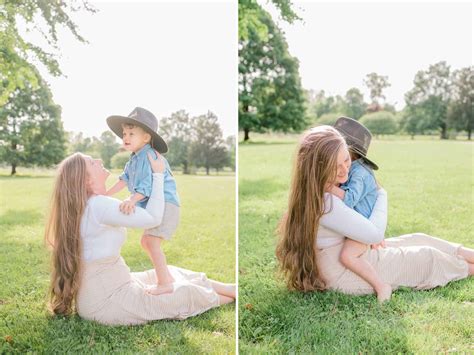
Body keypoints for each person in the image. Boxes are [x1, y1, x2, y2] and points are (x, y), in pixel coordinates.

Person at [276, 125, 473, 297]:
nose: (345, 171)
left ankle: (467, 253)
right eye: (334, 166)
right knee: (427, 257)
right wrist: (381, 194)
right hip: (342, 271)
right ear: (316, 168)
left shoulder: (319, 192)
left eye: (347, 161)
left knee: (419, 238)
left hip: (347, 256)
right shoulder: (326, 201)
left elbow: (362, 230)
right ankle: (468, 268)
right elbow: (374, 233)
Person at [45, 151, 235, 325]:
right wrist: (158, 175)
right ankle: (230, 297)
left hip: (111, 286)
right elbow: (153, 219)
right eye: (92, 163)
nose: (99, 160)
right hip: (108, 302)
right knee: (185, 293)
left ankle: (230, 288)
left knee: (169, 272)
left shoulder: (88, 205)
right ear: (86, 181)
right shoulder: (99, 205)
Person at [106, 107, 179, 295]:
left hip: (166, 204)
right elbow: (124, 179)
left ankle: (164, 283)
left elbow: (147, 184)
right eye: (124, 133)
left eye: (131, 133)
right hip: (153, 203)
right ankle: (167, 277)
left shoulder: (150, 155)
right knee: (146, 242)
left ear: (146, 138)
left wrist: (132, 199)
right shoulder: (133, 159)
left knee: (151, 242)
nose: (126, 137)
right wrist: (105, 194)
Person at [330, 116, 391, 302]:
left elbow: (349, 199)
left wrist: (326, 187)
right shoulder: (349, 168)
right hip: (356, 224)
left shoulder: (360, 173)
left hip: (364, 226)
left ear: (350, 152)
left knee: (348, 256)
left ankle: (381, 286)